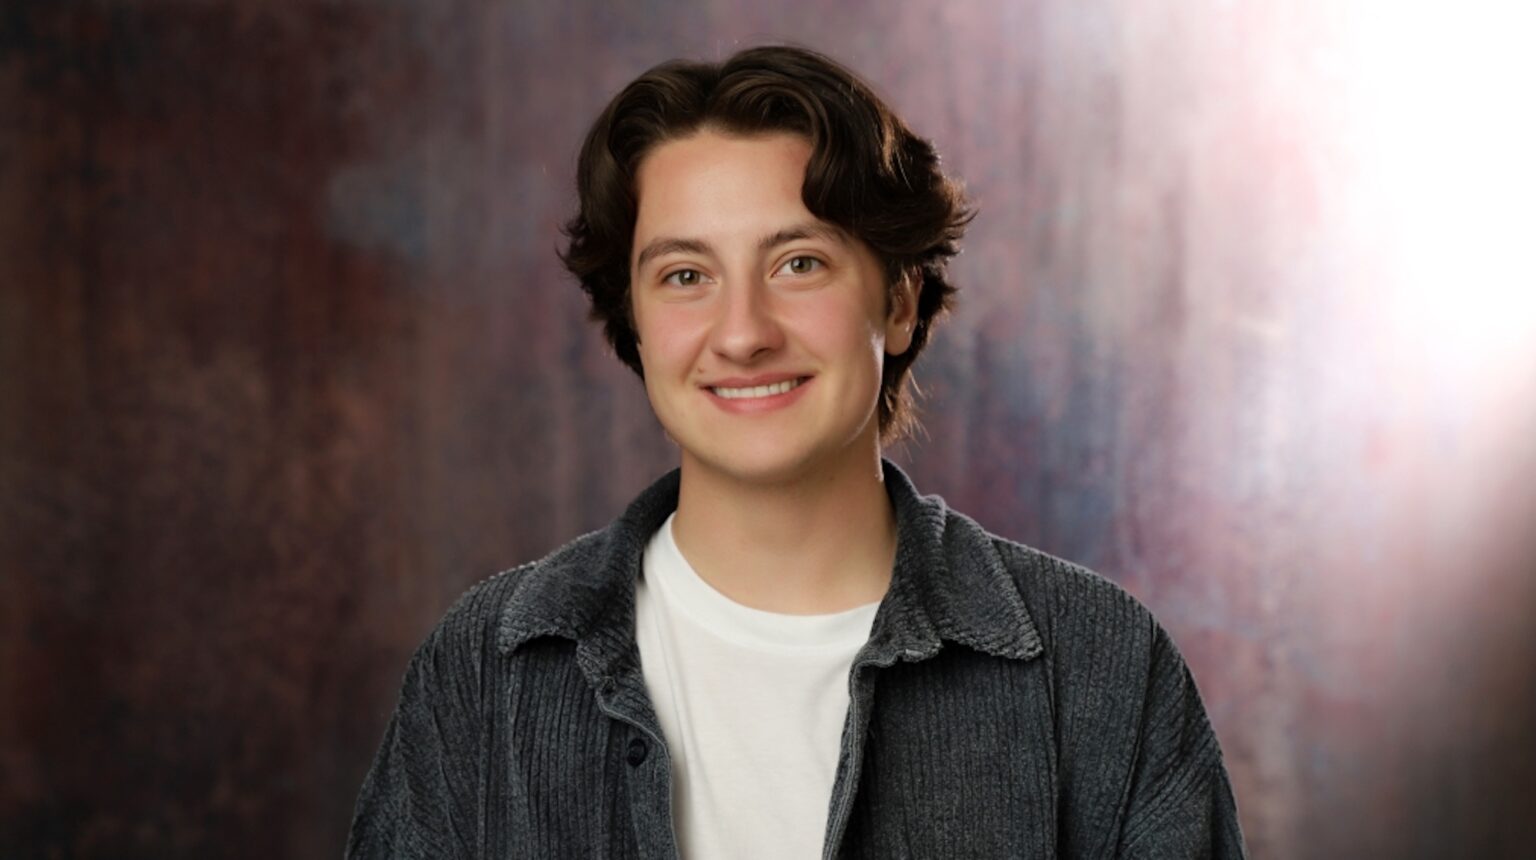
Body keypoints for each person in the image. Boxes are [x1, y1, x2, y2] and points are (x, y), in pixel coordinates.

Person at [346, 45, 1246, 859]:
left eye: (798, 263)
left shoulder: (1098, 668)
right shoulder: (486, 669)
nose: (740, 335)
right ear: (637, 322)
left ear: (898, 302)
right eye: (686, 276)